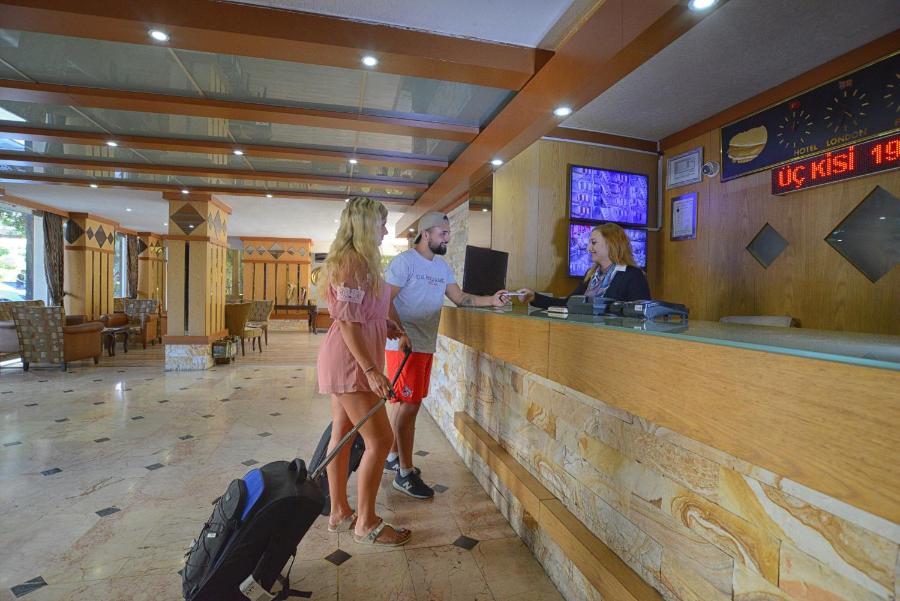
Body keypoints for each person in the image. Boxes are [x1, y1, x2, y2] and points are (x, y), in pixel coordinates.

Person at [383, 211, 508, 499]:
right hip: (404, 346)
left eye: (448, 233)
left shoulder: (441, 266)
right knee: (409, 407)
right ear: (425, 234)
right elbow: (385, 301)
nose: (447, 238)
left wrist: (492, 299)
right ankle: (405, 473)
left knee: (406, 404)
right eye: (443, 233)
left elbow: (460, 298)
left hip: (425, 344)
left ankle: (392, 457)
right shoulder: (404, 262)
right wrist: (401, 333)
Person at [316, 197, 411, 547]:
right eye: (381, 224)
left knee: (342, 434)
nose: (385, 229)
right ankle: (366, 522)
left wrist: (384, 323)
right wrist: (371, 370)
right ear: (364, 224)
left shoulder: (361, 261)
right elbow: (346, 323)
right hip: (351, 361)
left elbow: (360, 314)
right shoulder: (352, 262)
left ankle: (339, 512)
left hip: (353, 357)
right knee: (381, 440)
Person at [517, 222, 650, 307]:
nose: (588, 248)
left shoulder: (633, 276)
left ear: (611, 244)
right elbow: (568, 304)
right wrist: (534, 297)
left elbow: (641, 314)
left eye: (594, 242)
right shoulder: (590, 275)